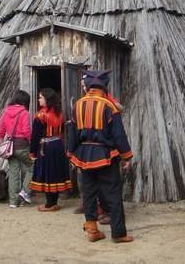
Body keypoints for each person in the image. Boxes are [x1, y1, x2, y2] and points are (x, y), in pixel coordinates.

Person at [68, 70, 134, 243]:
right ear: (105, 85)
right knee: (112, 193)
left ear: (88, 86)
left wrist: (71, 154)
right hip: (105, 156)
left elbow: (72, 134)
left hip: (84, 156)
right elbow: (119, 135)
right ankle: (118, 234)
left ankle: (92, 231)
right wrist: (126, 156)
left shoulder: (78, 105)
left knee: (89, 193)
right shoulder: (109, 106)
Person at [29, 88, 72, 212]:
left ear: (47, 99)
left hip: (46, 147)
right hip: (58, 145)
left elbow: (35, 136)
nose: (39, 99)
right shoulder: (60, 114)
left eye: (41, 97)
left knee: (48, 173)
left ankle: (49, 204)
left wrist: (32, 152)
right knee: (56, 172)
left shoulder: (40, 115)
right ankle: (54, 202)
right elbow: (62, 130)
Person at [0, 90, 33, 208]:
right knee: (33, 167)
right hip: (22, 146)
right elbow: (26, 131)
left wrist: (3, 143)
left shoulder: (6, 111)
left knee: (13, 173)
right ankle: (25, 192)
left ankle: (13, 201)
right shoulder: (24, 112)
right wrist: (32, 143)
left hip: (10, 147)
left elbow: (1, 130)